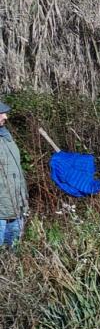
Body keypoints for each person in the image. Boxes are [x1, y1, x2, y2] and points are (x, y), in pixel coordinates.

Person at [0, 99, 29, 249]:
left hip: (16, 207)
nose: (5, 117)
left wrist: (23, 201)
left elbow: (16, 171)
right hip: (1, 211)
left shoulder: (7, 138)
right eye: (1, 113)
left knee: (13, 254)